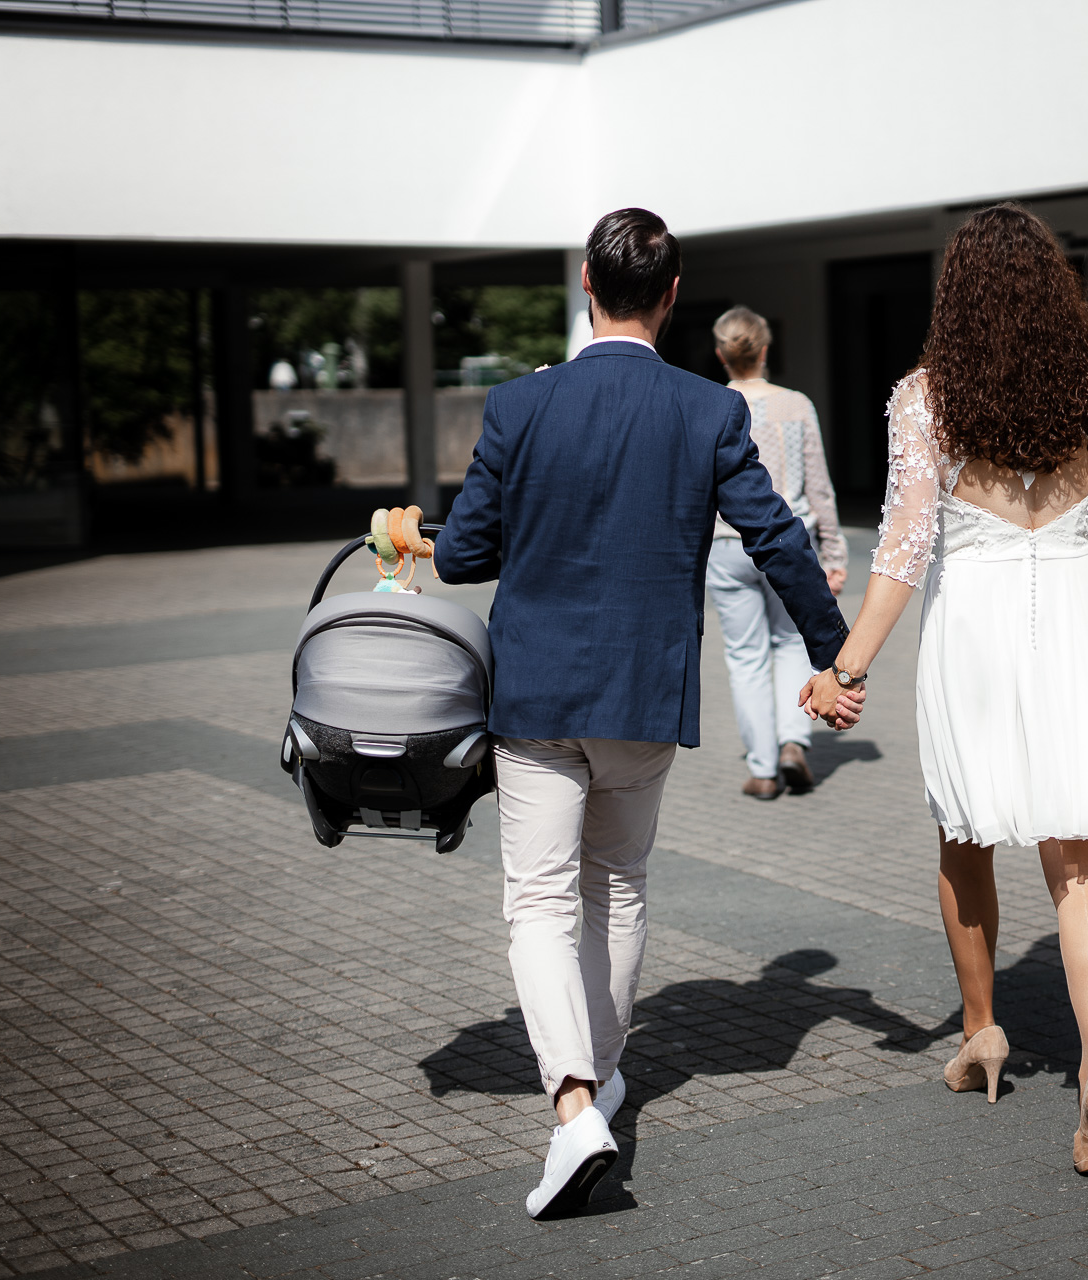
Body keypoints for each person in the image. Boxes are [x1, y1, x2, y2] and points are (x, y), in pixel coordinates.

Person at [435, 208, 862, 1220]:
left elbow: (460, 554)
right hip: (643, 691)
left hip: (537, 692)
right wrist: (835, 652)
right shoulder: (708, 412)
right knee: (618, 888)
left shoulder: (517, 405)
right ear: (674, 295)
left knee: (539, 901)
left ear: (588, 282)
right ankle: (605, 1076)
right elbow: (777, 536)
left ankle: (575, 1101)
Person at [797, 204, 1088, 1175]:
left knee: (965, 832)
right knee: (1077, 861)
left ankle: (982, 1034)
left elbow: (900, 553)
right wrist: (1059, 553)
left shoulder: (924, 397)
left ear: (958, 293)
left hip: (972, 620)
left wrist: (845, 668)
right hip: (1079, 609)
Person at [707, 306, 849, 799]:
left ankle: (763, 768)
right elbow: (820, 485)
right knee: (791, 643)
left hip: (727, 546)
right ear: (765, 350)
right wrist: (833, 553)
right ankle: (794, 740)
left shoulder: (709, 403)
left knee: (745, 656)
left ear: (722, 354)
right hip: (792, 544)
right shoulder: (797, 405)